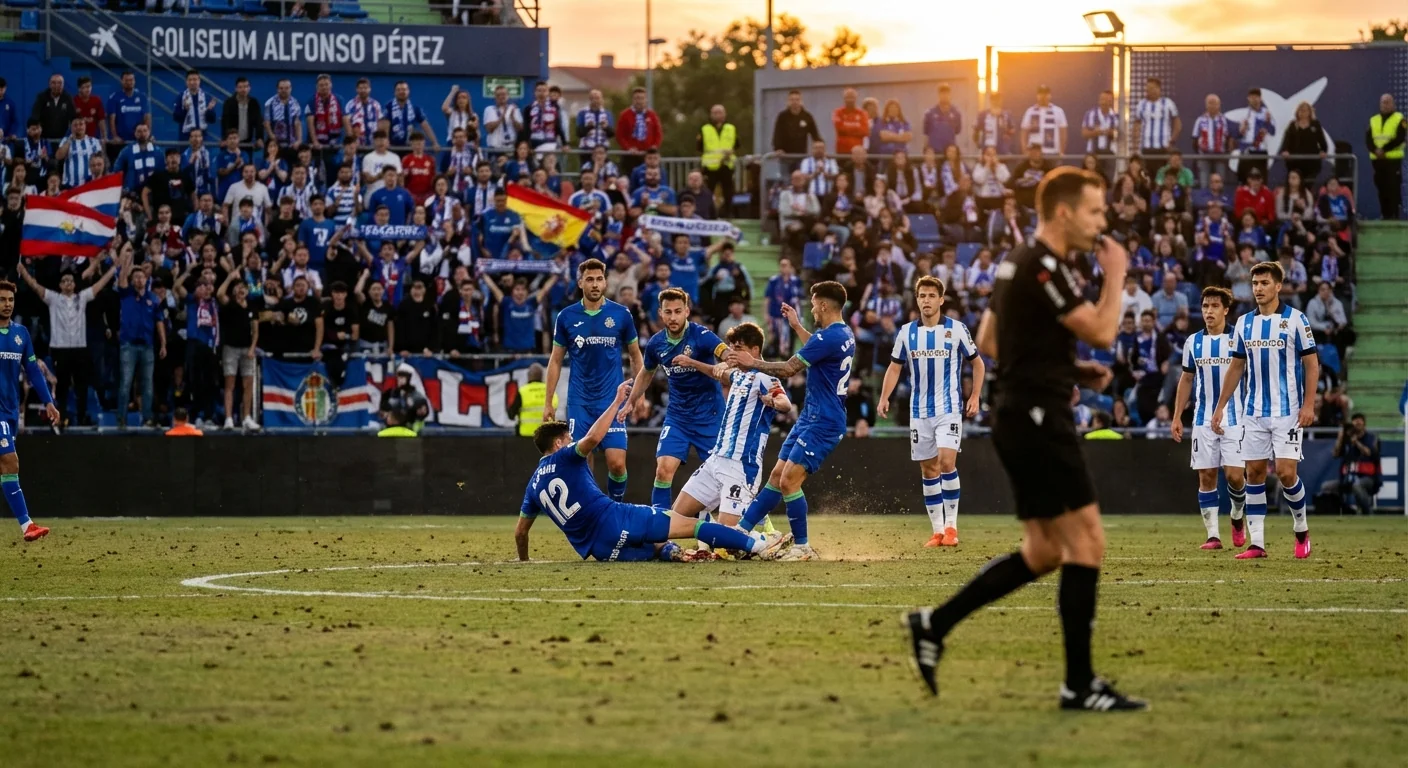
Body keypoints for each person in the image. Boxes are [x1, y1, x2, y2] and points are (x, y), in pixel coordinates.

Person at [904, 167, 1148, 711]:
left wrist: (1068, 368)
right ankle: (1079, 685)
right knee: (1087, 543)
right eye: (1094, 212)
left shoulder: (1016, 260)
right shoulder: (1044, 264)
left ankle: (934, 624)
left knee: (1044, 550)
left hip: (1019, 411)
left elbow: (991, 339)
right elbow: (1103, 330)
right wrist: (1116, 274)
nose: (1102, 223)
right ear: (1064, 212)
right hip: (1038, 416)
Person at [515, 381, 789, 562]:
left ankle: (671, 552)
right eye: (568, 438)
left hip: (601, 549)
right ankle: (761, 545)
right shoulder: (565, 456)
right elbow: (593, 438)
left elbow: (520, 533)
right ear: (558, 444)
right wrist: (616, 401)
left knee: (657, 547)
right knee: (694, 526)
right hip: (617, 517)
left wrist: (524, 560)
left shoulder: (532, 486)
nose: (571, 441)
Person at [727, 281, 855, 562]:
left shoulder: (827, 337)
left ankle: (803, 546)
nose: (812, 310)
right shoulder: (842, 333)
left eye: (814, 304)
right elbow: (817, 349)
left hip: (823, 422)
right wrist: (797, 326)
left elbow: (787, 369)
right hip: (811, 417)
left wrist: (752, 362)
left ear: (823, 305)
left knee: (788, 482)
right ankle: (741, 532)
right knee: (776, 476)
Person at [1211, 260, 1319, 559]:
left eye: (1264, 283)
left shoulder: (1296, 319)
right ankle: (1257, 543)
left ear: (1278, 286)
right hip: (1253, 412)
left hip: (1288, 411)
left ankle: (1301, 529)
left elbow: (1311, 364)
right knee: (1255, 473)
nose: (1258, 288)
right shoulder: (1244, 323)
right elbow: (1236, 366)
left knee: (1285, 473)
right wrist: (1221, 406)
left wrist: (1309, 404)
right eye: (1255, 284)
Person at [878, 275, 983, 548]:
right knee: (928, 470)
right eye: (922, 296)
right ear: (917, 300)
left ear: (941, 300)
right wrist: (884, 397)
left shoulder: (957, 329)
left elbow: (978, 363)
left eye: (931, 296)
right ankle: (937, 532)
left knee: (947, 463)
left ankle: (951, 528)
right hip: (919, 411)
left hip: (949, 408)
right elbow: (894, 367)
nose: (926, 300)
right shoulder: (906, 333)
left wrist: (975, 396)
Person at [667, 322, 791, 536]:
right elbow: (716, 373)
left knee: (727, 538)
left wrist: (772, 401)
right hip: (715, 460)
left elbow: (785, 403)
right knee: (674, 518)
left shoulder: (765, 378)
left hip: (740, 467)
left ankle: (767, 541)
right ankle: (717, 532)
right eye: (731, 348)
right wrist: (691, 362)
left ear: (754, 350)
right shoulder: (738, 374)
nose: (732, 354)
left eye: (738, 349)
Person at [543, 259, 644, 502]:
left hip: (612, 402)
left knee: (617, 464)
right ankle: (590, 512)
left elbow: (635, 355)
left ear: (605, 282)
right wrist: (548, 402)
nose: (595, 284)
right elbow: (555, 360)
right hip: (580, 402)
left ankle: (614, 508)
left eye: (599, 279)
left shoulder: (621, 314)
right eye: (590, 279)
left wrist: (639, 395)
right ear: (580, 283)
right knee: (582, 463)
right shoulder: (566, 317)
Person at [620, 288, 728, 508]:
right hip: (678, 417)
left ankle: (757, 521)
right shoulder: (656, 344)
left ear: (687, 311)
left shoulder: (702, 335)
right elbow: (646, 373)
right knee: (663, 470)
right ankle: (660, 526)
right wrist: (631, 401)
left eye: (678, 311)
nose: (673, 317)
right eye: (668, 312)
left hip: (710, 416)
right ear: (660, 313)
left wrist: (724, 363)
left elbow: (727, 355)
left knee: (725, 475)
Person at [1170, 286, 1248, 550]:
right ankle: (1213, 536)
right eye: (1205, 306)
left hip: (1234, 418)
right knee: (1206, 476)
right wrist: (1177, 416)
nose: (1209, 311)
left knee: (1235, 476)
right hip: (1203, 419)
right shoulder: (1193, 342)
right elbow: (1186, 379)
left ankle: (1237, 514)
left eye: (1215, 306)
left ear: (1226, 310)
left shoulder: (1238, 338)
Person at [0, 280, 58, 540]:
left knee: (5, 468)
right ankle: (27, 525)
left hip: (11, 409)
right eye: (2, 299)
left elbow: (33, 370)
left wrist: (48, 401)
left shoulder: (21, 334)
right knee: (10, 461)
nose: (7, 304)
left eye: (10, 300)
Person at [1329, 413, 1380, 515]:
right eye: (1355, 422)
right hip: (1348, 477)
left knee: (1357, 486)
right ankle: (1345, 512)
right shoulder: (1347, 440)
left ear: (1364, 424)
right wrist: (1340, 438)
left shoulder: (1370, 438)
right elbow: (1335, 454)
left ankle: (1368, 513)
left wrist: (1356, 442)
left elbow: (1369, 452)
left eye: (1359, 422)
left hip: (1367, 477)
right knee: (1327, 487)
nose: (1357, 425)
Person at [1366, 93, 1404, 220]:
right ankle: (1385, 215)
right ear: (1380, 104)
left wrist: (1384, 150)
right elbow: (1368, 139)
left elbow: (1400, 138)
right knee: (1381, 187)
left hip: (1393, 159)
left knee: (1393, 186)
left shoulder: (1400, 119)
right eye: (1383, 102)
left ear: (1393, 104)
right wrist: (1375, 150)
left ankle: (1394, 215)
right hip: (1378, 161)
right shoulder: (1373, 120)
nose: (1386, 104)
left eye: (1388, 102)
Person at [697, 104, 737, 219]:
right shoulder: (705, 129)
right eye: (715, 113)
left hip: (726, 164)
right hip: (710, 166)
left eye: (720, 112)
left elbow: (736, 145)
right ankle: (709, 214)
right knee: (708, 192)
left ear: (725, 114)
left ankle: (728, 214)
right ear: (711, 115)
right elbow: (699, 147)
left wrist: (730, 152)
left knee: (728, 192)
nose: (718, 115)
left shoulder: (731, 128)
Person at [1020, 85, 1068, 158]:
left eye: (1046, 94)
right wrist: (1024, 151)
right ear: (1037, 96)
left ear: (1050, 96)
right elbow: (1024, 132)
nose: (1043, 96)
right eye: (1041, 93)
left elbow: (1063, 132)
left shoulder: (1058, 111)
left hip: (1053, 152)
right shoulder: (1030, 111)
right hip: (1034, 152)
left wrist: (1061, 151)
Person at [772, 89, 822, 157]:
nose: (794, 102)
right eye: (792, 100)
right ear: (788, 102)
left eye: (797, 99)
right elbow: (777, 133)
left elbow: (815, 135)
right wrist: (778, 148)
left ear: (801, 101)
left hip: (801, 155)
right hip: (785, 155)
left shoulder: (807, 116)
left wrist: (819, 148)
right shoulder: (782, 116)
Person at [515, 362, 556, 438]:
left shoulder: (522, 391)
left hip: (525, 434)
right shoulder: (550, 391)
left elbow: (511, 414)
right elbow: (555, 408)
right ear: (542, 376)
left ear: (528, 375)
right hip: (545, 435)